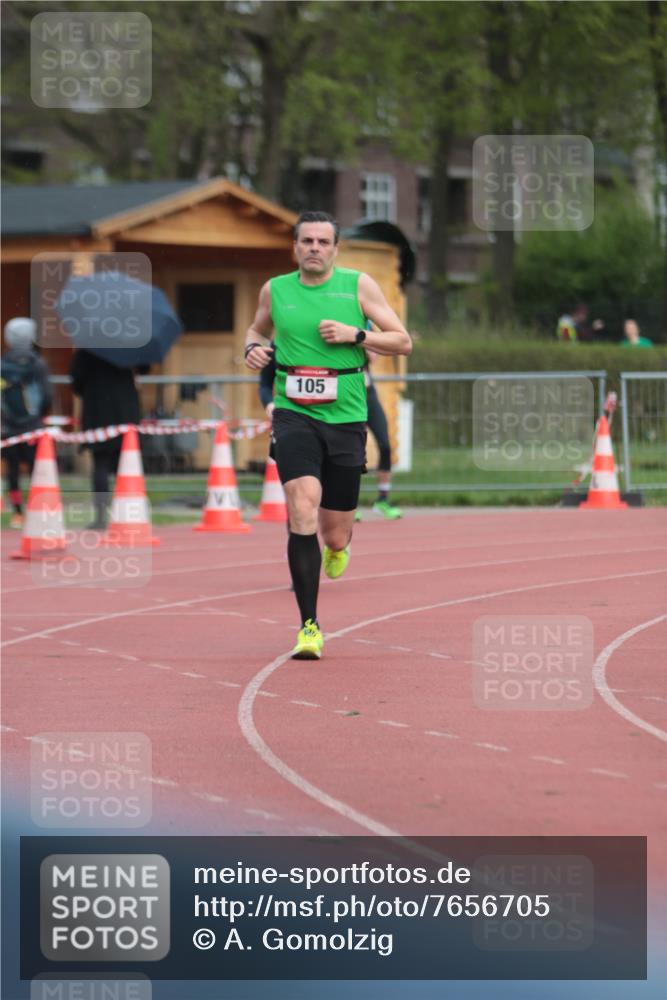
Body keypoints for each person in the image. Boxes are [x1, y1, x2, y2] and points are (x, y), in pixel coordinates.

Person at [245, 210, 412, 660]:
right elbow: (256, 329)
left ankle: (339, 546)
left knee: (333, 534)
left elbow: (402, 340)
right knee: (301, 507)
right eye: (306, 241)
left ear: (336, 249)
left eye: (322, 242)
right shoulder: (275, 289)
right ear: (295, 247)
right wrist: (252, 349)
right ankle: (309, 627)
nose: (314, 248)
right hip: (293, 413)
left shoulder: (358, 286)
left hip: (345, 416)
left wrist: (356, 334)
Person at [258, 344, 402, 520]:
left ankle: (383, 500)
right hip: (340, 401)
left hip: (366, 395)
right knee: (351, 452)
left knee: (385, 445)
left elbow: (381, 349)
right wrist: (270, 405)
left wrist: (369, 347)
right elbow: (265, 382)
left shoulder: (354, 329)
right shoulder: (285, 342)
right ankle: (346, 504)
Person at [69, 349, 145, 529]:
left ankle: (101, 517)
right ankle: (128, 516)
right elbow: (144, 367)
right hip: (126, 409)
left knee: (100, 463)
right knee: (127, 465)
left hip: (98, 409)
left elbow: (76, 380)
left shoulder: (87, 347)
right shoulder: (129, 342)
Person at [1, 317, 53, 528]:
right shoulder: (38, 364)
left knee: (12, 470)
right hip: (33, 426)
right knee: (36, 469)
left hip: (9, 426)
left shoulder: (3, 363)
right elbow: (47, 395)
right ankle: (35, 508)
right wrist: (40, 415)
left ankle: (17, 512)